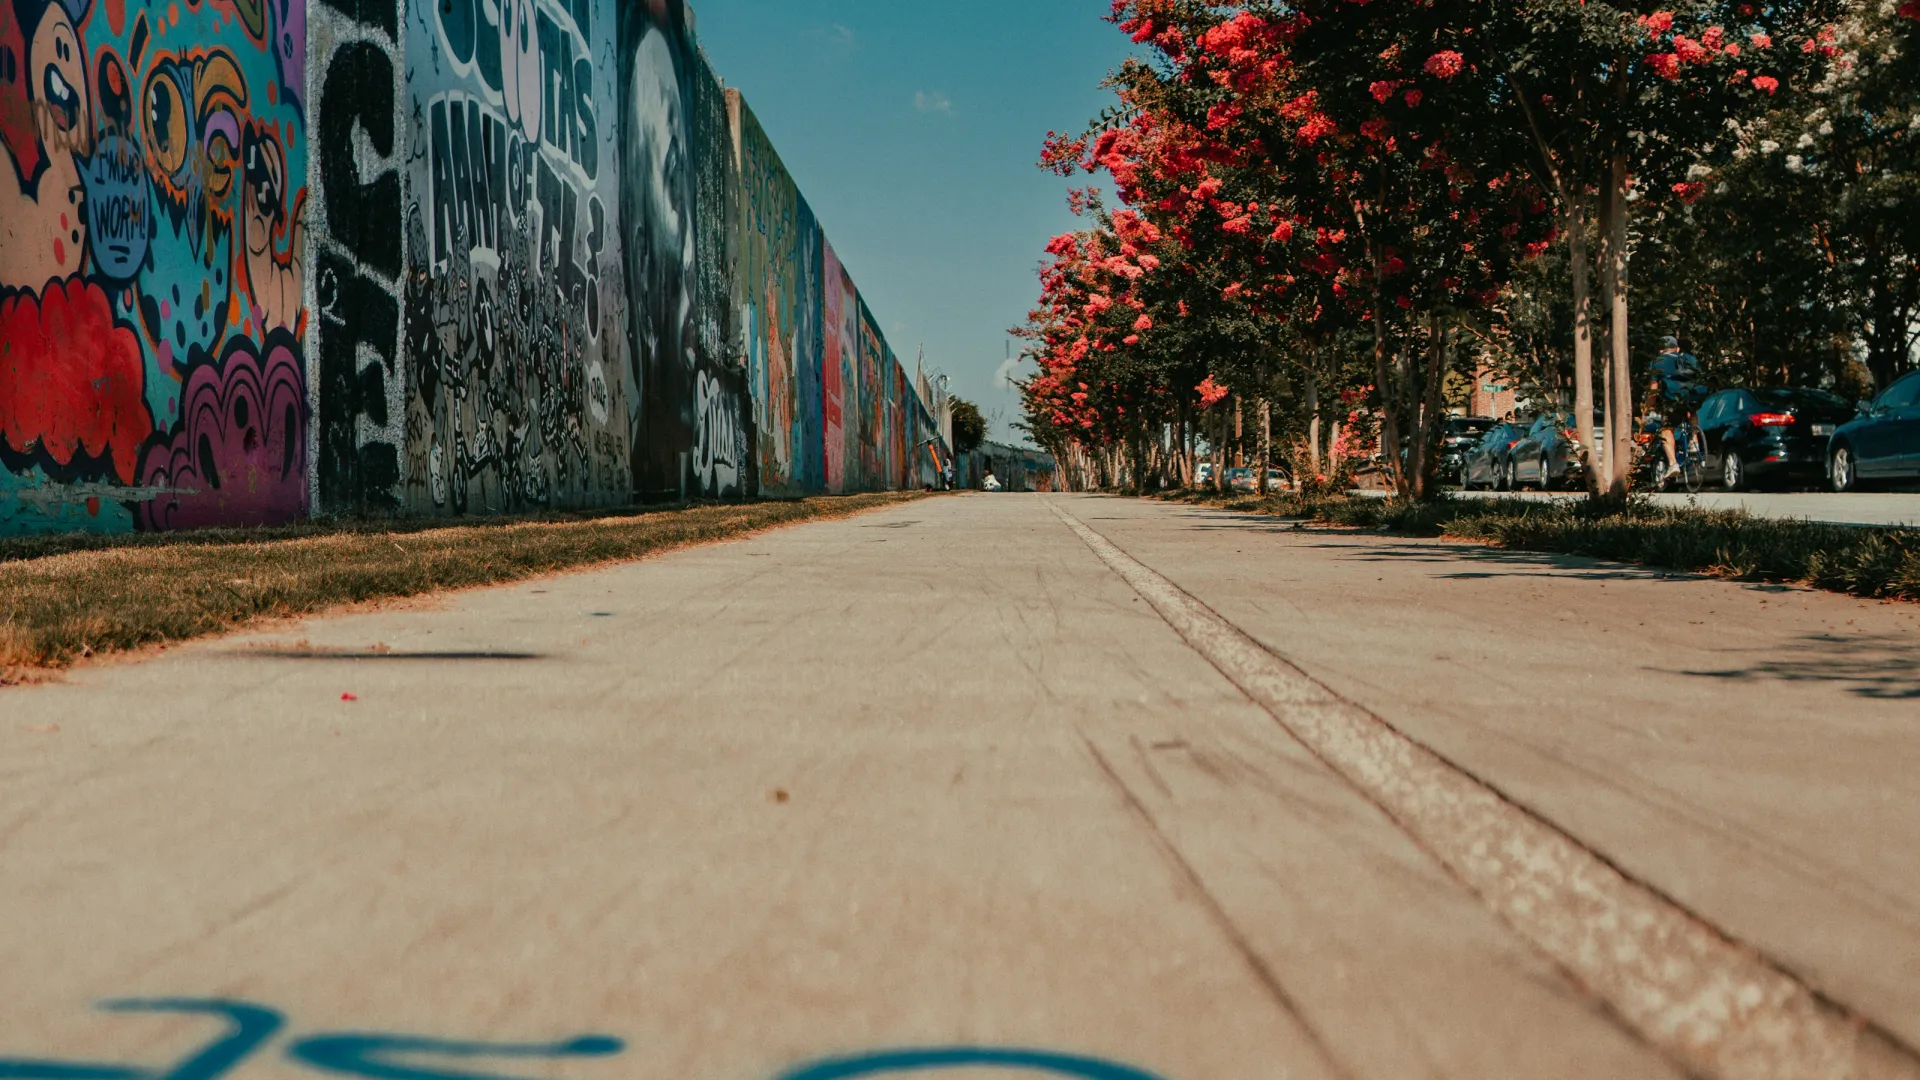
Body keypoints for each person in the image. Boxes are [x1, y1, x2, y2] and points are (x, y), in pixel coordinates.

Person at [1643, 335, 1706, 481]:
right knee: (1692, 410)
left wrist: (1649, 407)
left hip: (1673, 401)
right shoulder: (1690, 359)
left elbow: (1653, 389)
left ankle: (1673, 464)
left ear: (1660, 350)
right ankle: (1694, 439)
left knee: (1666, 428)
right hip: (1694, 397)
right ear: (1677, 348)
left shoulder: (1657, 362)